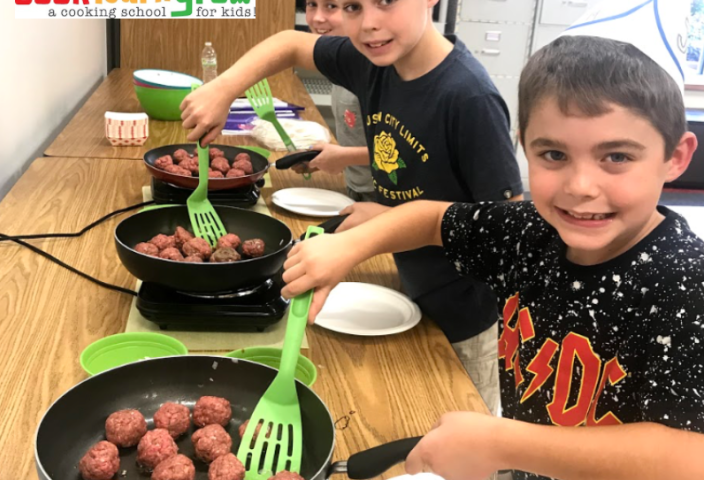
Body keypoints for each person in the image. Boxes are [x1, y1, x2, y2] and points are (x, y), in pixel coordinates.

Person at [278, 2, 704, 479]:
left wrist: (502, 441)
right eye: (554, 154)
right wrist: (349, 248)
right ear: (523, 145)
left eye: (617, 157)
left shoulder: (686, 281)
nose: (581, 186)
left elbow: (691, 457)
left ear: (676, 156)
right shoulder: (526, 233)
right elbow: (432, 219)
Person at [181, 0, 523, 416]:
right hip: (410, 282)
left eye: (385, 3)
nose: (368, 25)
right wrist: (224, 86)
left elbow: (505, 232)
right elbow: (290, 43)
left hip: (465, 321)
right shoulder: (373, 62)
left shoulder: (469, 98)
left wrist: (386, 224)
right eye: (353, 7)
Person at [299, 0, 377, 202]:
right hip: (355, 189)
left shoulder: (376, 68)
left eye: (331, 6)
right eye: (311, 5)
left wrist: (344, 157)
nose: (317, 17)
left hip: (383, 199)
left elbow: (406, 151)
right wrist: (327, 157)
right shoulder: (341, 62)